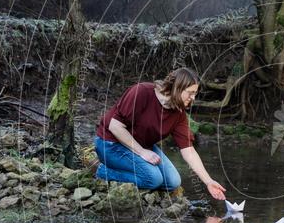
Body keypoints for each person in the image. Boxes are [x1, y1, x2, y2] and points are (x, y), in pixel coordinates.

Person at [93, 67, 227, 200]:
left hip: (141, 146)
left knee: (173, 182)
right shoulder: (142, 92)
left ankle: (134, 173)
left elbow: (189, 150)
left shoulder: (178, 114)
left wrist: (208, 181)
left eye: (195, 93)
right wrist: (142, 152)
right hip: (110, 144)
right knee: (153, 179)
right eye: (190, 93)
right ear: (177, 88)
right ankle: (104, 171)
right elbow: (115, 126)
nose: (193, 98)